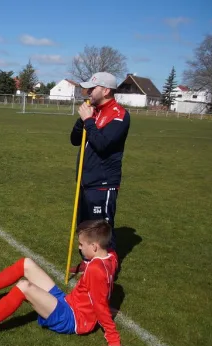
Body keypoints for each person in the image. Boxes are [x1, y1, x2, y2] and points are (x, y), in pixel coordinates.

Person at [0, 219, 127, 346]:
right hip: (68, 302)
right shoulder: (111, 255)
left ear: (94, 246)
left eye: (81, 245)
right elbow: (103, 288)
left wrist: (114, 341)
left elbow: (100, 304)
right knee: (26, 264)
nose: (79, 247)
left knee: (24, 287)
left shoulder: (96, 270)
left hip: (72, 318)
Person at [70, 72, 130, 275]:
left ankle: (105, 274)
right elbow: (74, 140)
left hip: (103, 184)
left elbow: (103, 145)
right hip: (85, 182)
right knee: (84, 230)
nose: (88, 92)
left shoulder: (119, 115)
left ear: (105, 90)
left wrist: (88, 121)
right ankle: (88, 266)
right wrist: (82, 121)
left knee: (101, 232)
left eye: (92, 88)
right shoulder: (93, 111)